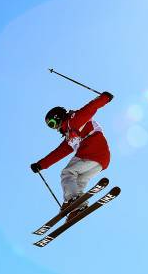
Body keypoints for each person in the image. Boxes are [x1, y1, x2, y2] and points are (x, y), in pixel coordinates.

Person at [30, 91, 113, 221]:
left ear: (58, 117)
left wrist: (105, 98)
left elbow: (91, 107)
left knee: (67, 173)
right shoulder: (69, 137)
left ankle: (74, 201)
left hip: (92, 151)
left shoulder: (74, 120)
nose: (54, 127)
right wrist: (41, 164)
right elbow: (58, 153)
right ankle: (78, 207)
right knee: (78, 182)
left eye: (52, 123)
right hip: (100, 160)